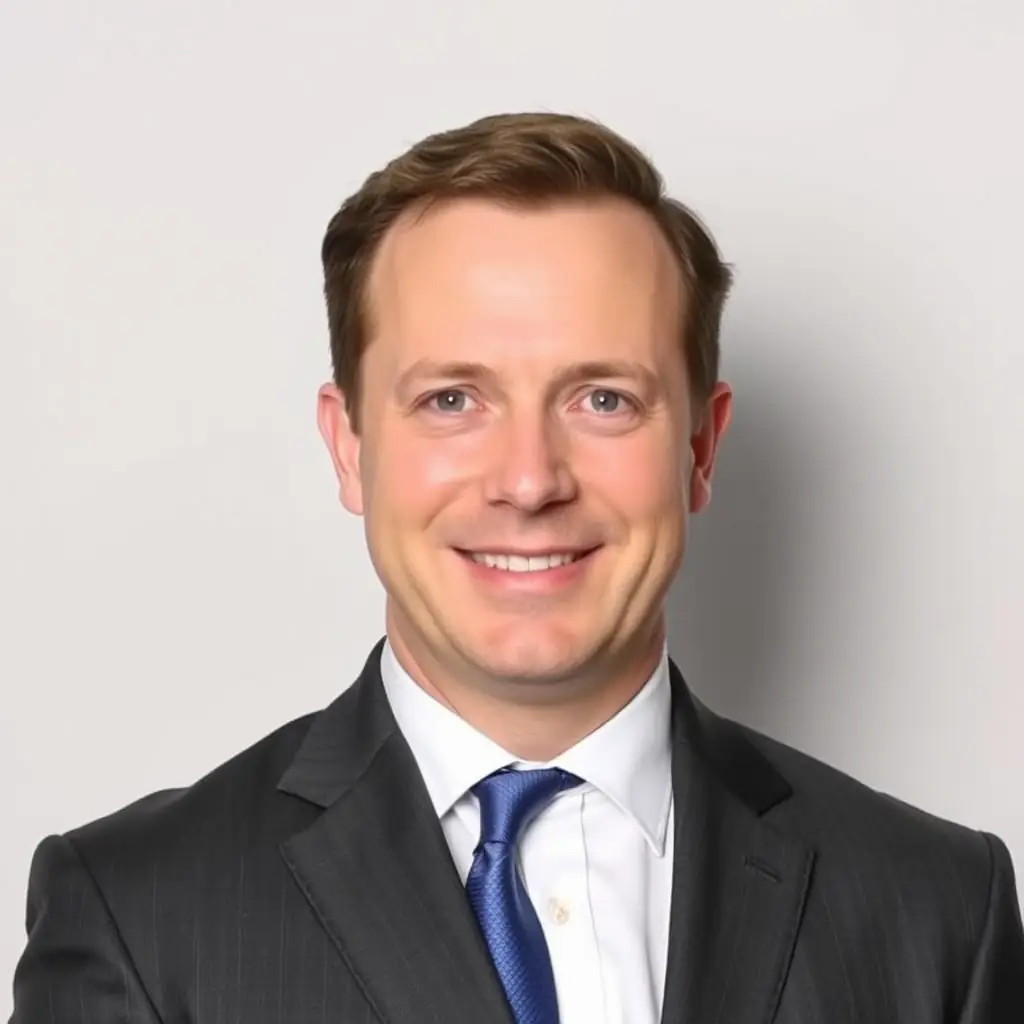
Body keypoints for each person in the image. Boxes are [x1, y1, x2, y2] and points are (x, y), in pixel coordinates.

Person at [10, 111, 1024, 1024]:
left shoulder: (936, 907)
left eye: (603, 400)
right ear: (350, 446)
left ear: (700, 451)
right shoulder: (138, 912)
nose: (530, 479)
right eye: (452, 398)